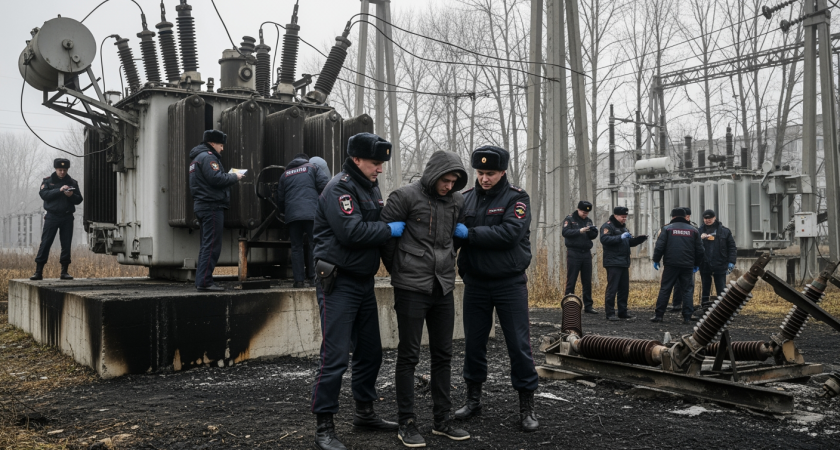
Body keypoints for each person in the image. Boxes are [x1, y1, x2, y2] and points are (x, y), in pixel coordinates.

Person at [310, 132, 403, 450]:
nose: (380, 169)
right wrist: (388, 229)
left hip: (362, 281)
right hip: (338, 281)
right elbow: (350, 232)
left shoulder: (368, 186)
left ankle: (364, 412)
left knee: (370, 352)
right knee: (335, 357)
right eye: (376, 163)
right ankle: (324, 425)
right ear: (358, 160)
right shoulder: (340, 188)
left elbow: (373, 220)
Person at [380, 150, 470, 447]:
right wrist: (401, 270)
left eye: (454, 181)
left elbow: (453, 240)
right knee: (409, 355)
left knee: (444, 354)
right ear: (433, 175)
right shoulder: (404, 197)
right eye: (445, 180)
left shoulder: (457, 200)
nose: (449, 186)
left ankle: (442, 421)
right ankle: (406, 422)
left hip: (443, 286)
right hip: (411, 287)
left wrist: (449, 256)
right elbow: (387, 241)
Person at [454, 145, 539, 432]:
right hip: (476, 283)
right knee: (474, 345)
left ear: (502, 171)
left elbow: (510, 233)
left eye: (490, 173)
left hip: (509, 283)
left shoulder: (517, 198)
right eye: (479, 173)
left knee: (518, 345)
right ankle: (473, 399)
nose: (484, 179)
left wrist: (471, 234)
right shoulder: (464, 199)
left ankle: (526, 405)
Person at [189, 130, 244, 292]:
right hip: (211, 206)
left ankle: (202, 280)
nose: (222, 149)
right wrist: (235, 177)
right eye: (221, 145)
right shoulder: (208, 157)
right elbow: (216, 179)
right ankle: (205, 282)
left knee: (207, 244)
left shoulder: (197, 159)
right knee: (212, 245)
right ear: (213, 143)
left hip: (202, 205)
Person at [276, 153, 330, 288]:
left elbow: (280, 198)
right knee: (314, 244)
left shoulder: (285, 174)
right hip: (311, 213)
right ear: (306, 160)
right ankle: (314, 278)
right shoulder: (313, 168)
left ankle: (299, 281)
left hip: (292, 216)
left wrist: (285, 211)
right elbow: (326, 186)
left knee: (296, 247)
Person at [31, 158, 83, 281]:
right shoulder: (48, 181)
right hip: (52, 216)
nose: (62, 172)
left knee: (66, 244)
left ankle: (64, 271)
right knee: (46, 243)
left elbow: (79, 199)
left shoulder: (72, 183)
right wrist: (59, 190)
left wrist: (71, 196)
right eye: (60, 170)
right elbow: (44, 195)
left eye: (64, 170)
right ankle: (38, 271)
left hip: (67, 217)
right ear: (56, 169)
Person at [651, 208, 704, 324]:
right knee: (687, 290)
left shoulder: (667, 229)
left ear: (672, 217)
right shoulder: (694, 230)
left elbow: (659, 246)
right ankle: (687, 316)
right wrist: (696, 264)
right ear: (685, 217)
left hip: (671, 264)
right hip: (687, 265)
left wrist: (656, 260)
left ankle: (659, 315)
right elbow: (700, 250)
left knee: (665, 288)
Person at [599, 206, 647, 321]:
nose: (624, 219)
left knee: (624, 289)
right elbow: (605, 240)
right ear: (615, 215)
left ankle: (622, 312)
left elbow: (628, 242)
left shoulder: (624, 228)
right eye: (622, 217)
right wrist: (620, 237)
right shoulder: (608, 226)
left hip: (624, 262)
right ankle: (610, 313)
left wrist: (638, 240)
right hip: (613, 262)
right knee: (612, 288)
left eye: (626, 217)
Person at [697, 209, 737, 313]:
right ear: (703, 219)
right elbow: (693, 247)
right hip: (704, 263)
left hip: (720, 263)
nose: (707, 220)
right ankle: (704, 307)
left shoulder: (724, 231)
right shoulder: (698, 231)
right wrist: (699, 239)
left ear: (714, 218)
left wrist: (731, 261)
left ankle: (722, 309)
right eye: (706, 218)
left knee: (721, 287)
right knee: (705, 287)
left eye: (710, 218)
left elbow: (732, 247)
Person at [562, 201, 599, 314]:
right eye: (583, 212)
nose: (585, 214)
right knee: (571, 279)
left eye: (587, 212)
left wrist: (593, 231)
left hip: (586, 253)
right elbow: (565, 232)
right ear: (578, 209)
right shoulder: (570, 219)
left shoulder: (588, 221)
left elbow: (592, 236)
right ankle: (568, 304)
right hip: (574, 252)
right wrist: (579, 231)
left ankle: (588, 306)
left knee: (587, 280)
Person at [668, 206, 696, 312]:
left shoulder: (670, 228)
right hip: (685, 261)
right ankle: (679, 306)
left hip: (679, 261)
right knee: (680, 285)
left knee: (686, 286)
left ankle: (685, 306)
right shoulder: (693, 229)